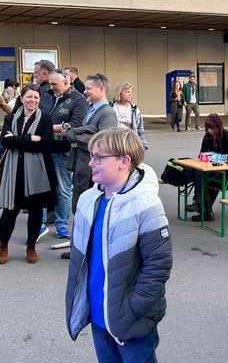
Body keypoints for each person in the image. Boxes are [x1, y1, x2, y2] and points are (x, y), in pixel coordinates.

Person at [65, 127, 172, 363]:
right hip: (98, 314)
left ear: (124, 161)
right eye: (91, 155)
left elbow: (158, 265)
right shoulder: (88, 200)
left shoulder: (145, 203)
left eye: (99, 157)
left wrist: (131, 309)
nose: (91, 163)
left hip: (130, 319)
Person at [0, 85, 57, 264]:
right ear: (21, 98)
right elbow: (4, 143)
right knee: (10, 211)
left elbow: (46, 144)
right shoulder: (10, 118)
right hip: (14, 172)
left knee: (36, 211)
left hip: (38, 171)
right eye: (29, 97)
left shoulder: (45, 119)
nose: (33, 101)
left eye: (36, 98)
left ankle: (31, 247)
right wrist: (30, 138)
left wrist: (16, 140)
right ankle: (3, 246)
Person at [62, 73, 118, 259]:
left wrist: (77, 137)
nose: (84, 91)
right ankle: (79, 248)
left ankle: (86, 252)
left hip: (93, 170)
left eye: (88, 88)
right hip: (82, 167)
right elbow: (85, 134)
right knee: (80, 208)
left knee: (88, 211)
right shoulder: (93, 109)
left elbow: (104, 142)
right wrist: (78, 135)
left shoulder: (107, 113)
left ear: (101, 89)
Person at [48, 69, 89, 240]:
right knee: (45, 186)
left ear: (66, 83)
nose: (51, 87)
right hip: (45, 148)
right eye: (50, 84)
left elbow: (76, 126)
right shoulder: (48, 96)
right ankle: (42, 222)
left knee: (64, 189)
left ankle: (62, 225)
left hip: (62, 150)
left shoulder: (78, 100)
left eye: (54, 84)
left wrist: (48, 128)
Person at [185, 114, 228, 222]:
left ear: (218, 127)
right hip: (212, 170)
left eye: (212, 128)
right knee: (199, 172)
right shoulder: (207, 137)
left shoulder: (226, 136)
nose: (210, 131)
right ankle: (205, 210)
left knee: (202, 176)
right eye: (208, 128)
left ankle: (200, 204)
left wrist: (218, 159)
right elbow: (201, 155)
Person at [111, 81, 149, 149]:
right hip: (114, 142)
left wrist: (143, 144)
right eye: (127, 92)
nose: (130, 94)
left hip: (129, 142)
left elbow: (140, 128)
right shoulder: (111, 107)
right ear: (120, 93)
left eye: (131, 92)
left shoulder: (134, 109)